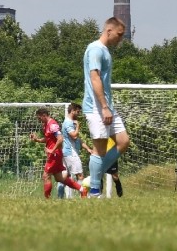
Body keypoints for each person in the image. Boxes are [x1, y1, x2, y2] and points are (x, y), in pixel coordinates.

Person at [82, 17, 130, 198]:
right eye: (119, 34)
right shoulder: (95, 49)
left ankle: (94, 176)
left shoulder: (105, 51)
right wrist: (103, 107)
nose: (120, 39)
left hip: (107, 107)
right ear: (109, 31)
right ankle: (94, 191)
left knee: (123, 141)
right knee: (99, 150)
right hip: (97, 108)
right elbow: (95, 78)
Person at [29, 107, 86, 199]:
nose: (38, 120)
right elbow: (48, 139)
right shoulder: (46, 125)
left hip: (54, 154)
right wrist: (37, 140)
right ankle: (82, 190)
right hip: (54, 154)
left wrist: (52, 150)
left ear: (44, 115)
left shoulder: (52, 125)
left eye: (39, 118)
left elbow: (60, 139)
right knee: (59, 178)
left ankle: (47, 200)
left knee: (46, 176)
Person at [57, 102, 92, 199]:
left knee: (64, 177)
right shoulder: (68, 123)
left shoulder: (70, 122)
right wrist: (78, 127)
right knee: (80, 175)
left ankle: (59, 198)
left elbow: (77, 139)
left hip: (68, 152)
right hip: (70, 153)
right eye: (78, 112)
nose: (79, 114)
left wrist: (88, 148)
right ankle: (84, 197)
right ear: (72, 111)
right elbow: (74, 135)